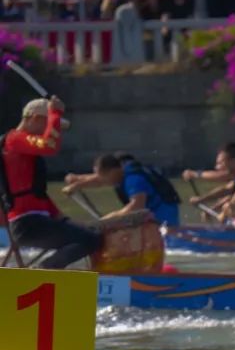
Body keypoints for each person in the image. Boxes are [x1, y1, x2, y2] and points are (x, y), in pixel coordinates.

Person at [0, 97, 102, 269]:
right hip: (27, 223)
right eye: (46, 125)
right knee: (91, 240)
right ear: (34, 118)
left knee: (92, 236)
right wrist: (55, 112)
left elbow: (39, 195)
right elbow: (49, 145)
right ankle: (41, 272)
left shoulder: (26, 152)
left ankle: (45, 271)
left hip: (37, 220)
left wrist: (66, 220)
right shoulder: (14, 140)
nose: (49, 131)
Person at [62, 153, 181, 227]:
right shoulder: (121, 169)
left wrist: (108, 219)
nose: (104, 181)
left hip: (163, 213)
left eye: (105, 177)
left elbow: (137, 206)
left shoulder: (133, 179)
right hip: (149, 213)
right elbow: (99, 179)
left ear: (113, 172)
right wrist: (77, 183)